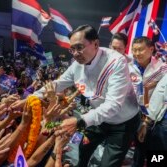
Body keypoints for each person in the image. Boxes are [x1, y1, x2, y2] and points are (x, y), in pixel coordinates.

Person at [34, 24, 140, 167]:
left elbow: (113, 105)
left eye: (79, 47)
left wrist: (79, 122)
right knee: (83, 148)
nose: (76, 53)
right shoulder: (77, 64)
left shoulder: (116, 62)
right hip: (98, 118)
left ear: (95, 43)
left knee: (108, 164)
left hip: (123, 122)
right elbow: (58, 84)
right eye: (72, 49)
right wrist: (32, 98)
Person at [129, 36, 167, 167]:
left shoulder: (162, 68)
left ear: (151, 49)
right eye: (134, 50)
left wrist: (148, 120)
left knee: (157, 150)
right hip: (135, 114)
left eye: (140, 50)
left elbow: (160, 96)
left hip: (156, 117)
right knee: (139, 149)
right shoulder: (127, 67)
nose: (137, 53)